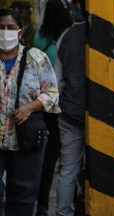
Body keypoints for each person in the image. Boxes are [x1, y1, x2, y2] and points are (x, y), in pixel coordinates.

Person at [0, 8, 60, 215]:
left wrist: (29, 107)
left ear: (21, 33)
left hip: (24, 139)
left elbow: (52, 93)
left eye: (10, 28)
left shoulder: (36, 59)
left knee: (23, 199)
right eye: (1, 28)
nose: (5, 32)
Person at [32, 1, 73, 215]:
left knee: (44, 157)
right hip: (62, 105)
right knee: (63, 157)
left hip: (40, 102)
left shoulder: (40, 36)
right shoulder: (68, 38)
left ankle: (41, 204)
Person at [54, 0, 86, 215]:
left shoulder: (67, 35)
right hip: (104, 116)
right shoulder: (111, 32)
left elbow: (57, 81)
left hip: (69, 115)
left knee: (68, 169)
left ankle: (63, 212)